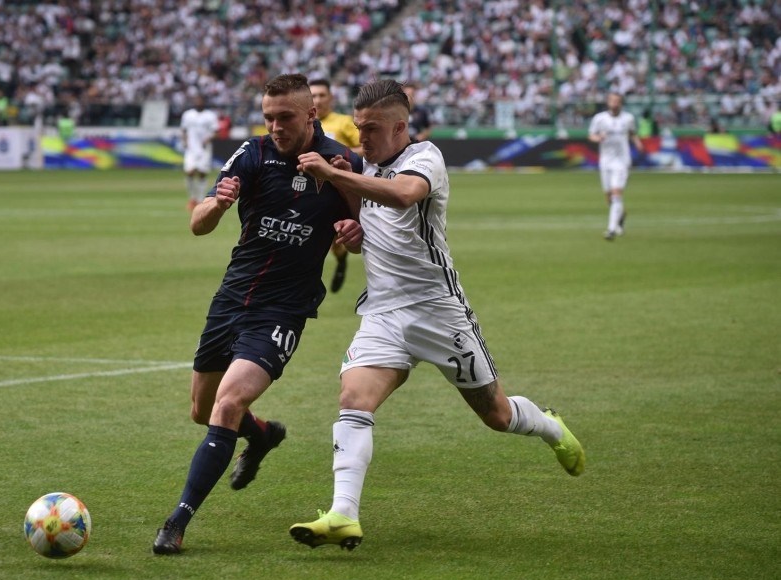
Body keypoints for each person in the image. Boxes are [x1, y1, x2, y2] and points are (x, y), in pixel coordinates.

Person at [289, 79, 585, 551]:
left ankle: (551, 427)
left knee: (496, 414)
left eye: (371, 130)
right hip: (384, 312)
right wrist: (354, 227)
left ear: (401, 127)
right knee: (353, 396)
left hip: (438, 313)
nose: (361, 139)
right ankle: (344, 513)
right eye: (359, 128)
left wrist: (337, 175)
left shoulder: (425, 158)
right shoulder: (365, 164)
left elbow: (404, 196)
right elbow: (376, 215)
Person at [152, 74, 364, 554]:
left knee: (226, 406)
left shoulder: (341, 161)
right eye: (268, 117)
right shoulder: (253, 153)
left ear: (311, 115)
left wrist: (345, 212)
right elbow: (198, 224)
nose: (275, 126)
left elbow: (365, 230)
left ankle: (177, 521)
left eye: (284, 117)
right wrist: (217, 205)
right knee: (201, 411)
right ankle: (263, 435)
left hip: (283, 309)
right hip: (232, 298)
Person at [309, 78, 362, 294]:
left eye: (322, 95)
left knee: (335, 238)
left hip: (339, 190)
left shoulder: (342, 122)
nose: (318, 100)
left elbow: (364, 148)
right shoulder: (304, 125)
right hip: (310, 191)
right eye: (314, 96)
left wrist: (339, 156)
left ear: (330, 98)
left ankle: (340, 260)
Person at [588, 92, 644, 241]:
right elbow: (591, 135)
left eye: (617, 101)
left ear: (621, 103)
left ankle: (611, 229)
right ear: (608, 102)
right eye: (612, 101)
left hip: (622, 161)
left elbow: (633, 133)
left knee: (616, 193)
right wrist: (598, 138)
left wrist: (637, 143)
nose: (614, 104)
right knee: (609, 197)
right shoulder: (600, 118)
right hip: (605, 161)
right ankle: (621, 216)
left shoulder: (628, 118)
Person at [180, 95, 220, 211]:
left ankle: (200, 199)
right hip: (191, 149)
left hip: (204, 149)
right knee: (189, 171)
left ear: (203, 102)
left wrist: (207, 139)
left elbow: (216, 132)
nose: (198, 102)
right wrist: (184, 141)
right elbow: (183, 130)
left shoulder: (210, 116)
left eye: (200, 100)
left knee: (202, 173)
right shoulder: (188, 115)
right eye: (196, 100)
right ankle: (192, 198)